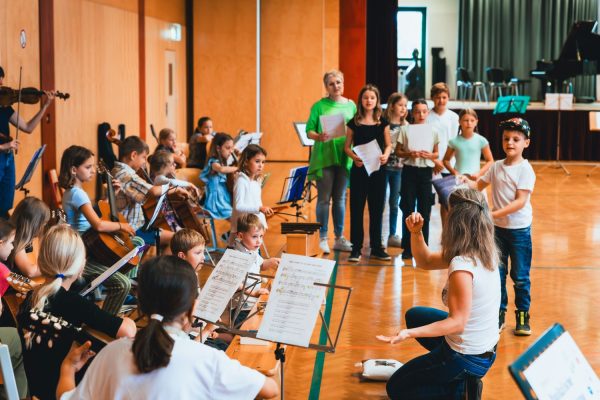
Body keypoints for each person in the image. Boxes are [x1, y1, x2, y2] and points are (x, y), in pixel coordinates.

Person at [56, 255, 279, 400]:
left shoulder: (110, 354)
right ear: (192, 308)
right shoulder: (207, 359)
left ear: (141, 304)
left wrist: (67, 367)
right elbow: (270, 391)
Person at [377, 189, 500, 399]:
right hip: (485, 348)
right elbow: (424, 260)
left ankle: (460, 391)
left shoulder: (462, 267)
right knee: (415, 316)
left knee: (396, 388)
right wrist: (416, 232)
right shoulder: (483, 251)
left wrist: (408, 334)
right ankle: (452, 376)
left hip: (467, 357)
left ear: (455, 221)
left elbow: (457, 323)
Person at [17, 224, 136, 400]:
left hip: (36, 386)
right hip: (64, 390)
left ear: (42, 261)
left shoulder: (31, 297)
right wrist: (130, 321)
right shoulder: (76, 303)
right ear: (80, 268)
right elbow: (128, 331)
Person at [471, 118, 535, 335]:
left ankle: (523, 315)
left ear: (526, 143)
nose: (510, 143)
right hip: (496, 230)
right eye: (506, 138)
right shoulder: (496, 167)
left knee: (520, 276)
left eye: (516, 139)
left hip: (519, 231)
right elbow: (478, 185)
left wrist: (491, 214)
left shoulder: (525, 170)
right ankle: (498, 313)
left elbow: (520, 202)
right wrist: (464, 183)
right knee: (497, 274)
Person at [59, 145, 136, 314]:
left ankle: (121, 292)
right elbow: (99, 225)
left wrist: (111, 196)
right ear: (73, 170)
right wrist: (123, 225)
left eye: (93, 166)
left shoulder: (72, 192)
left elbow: (97, 217)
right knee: (123, 283)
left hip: (88, 245)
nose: (93, 171)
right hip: (83, 253)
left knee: (135, 244)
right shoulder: (78, 194)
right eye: (88, 167)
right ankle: (107, 319)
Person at [306, 70, 356, 254]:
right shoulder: (319, 106)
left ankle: (340, 237)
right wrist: (319, 136)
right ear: (326, 86)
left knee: (341, 198)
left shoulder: (351, 106)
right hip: (325, 156)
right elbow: (309, 130)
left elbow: (356, 127)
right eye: (332, 83)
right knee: (324, 199)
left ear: (343, 84)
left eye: (339, 82)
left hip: (344, 156)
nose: (336, 86)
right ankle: (323, 237)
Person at [112, 136, 188, 249]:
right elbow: (153, 191)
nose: (144, 162)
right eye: (143, 157)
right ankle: (161, 266)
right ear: (133, 155)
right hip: (132, 230)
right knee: (179, 239)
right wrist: (176, 189)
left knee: (175, 236)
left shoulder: (119, 171)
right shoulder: (125, 174)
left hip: (137, 226)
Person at [344, 84, 392, 263]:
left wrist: (386, 155)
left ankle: (377, 248)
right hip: (359, 171)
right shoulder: (354, 122)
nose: (369, 101)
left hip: (378, 171)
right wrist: (354, 157)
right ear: (361, 101)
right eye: (366, 98)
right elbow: (346, 147)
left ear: (377, 100)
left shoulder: (383, 122)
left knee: (377, 210)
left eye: (372, 98)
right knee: (356, 209)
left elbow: (388, 144)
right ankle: (356, 248)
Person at [0, 66, 56, 219]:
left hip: (7, 158)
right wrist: (4, 146)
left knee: (5, 204)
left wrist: (45, 106)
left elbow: (28, 128)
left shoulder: (5, 108)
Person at [396, 99, 440, 260]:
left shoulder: (433, 130)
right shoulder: (405, 129)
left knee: (425, 210)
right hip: (409, 171)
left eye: (424, 111)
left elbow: (436, 153)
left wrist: (430, 155)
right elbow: (398, 151)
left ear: (428, 112)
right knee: (407, 207)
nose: (421, 114)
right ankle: (407, 248)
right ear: (412, 113)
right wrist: (410, 154)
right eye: (417, 111)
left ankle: (423, 247)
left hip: (426, 172)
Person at [230, 213, 279, 323]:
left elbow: (261, 265)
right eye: (254, 236)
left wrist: (270, 262)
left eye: (261, 236)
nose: (259, 241)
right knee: (243, 333)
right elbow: (235, 283)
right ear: (241, 236)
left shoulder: (252, 250)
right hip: (242, 307)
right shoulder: (236, 255)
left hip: (253, 301)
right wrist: (254, 293)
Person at [0, 219, 28, 399]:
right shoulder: (2, 269)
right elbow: (27, 285)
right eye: (10, 243)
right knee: (19, 339)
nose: (12, 248)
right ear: (0, 243)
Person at [427, 82, 459, 225]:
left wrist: (445, 161)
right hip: (429, 164)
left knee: (446, 203)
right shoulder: (426, 115)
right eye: (438, 97)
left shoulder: (453, 117)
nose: (441, 100)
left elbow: (454, 142)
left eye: (444, 97)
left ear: (448, 98)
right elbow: (424, 140)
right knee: (427, 201)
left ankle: (446, 235)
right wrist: (434, 161)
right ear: (432, 98)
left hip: (447, 164)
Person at [383, 92, 409, 248]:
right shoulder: (383, 123)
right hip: (383, 168)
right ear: (392, 106)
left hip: (399, 169)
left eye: (405, 106)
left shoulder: (406, 126)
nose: (403, 108)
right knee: (379, 203)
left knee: (394, 203)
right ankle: (378, 235)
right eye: (400, 105)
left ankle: (392, 235)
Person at [231, 144, 273, 240]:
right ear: (246, 161)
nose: (261, 165)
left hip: (254, 228)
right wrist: (260, 208)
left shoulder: (256, 181)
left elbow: (257, 203)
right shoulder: (241, 181)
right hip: (243, 230)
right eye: (257, 161)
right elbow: (239, 206)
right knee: (238, 253)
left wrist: (263, 223)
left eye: (263, 162)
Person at [443, 109, 493, 180]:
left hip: (476, 179)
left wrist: (479, 173)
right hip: (459, 180)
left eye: (472, 120)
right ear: (459, 122)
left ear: (476, 122)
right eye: (466, 120)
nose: (469, 123)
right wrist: (454, 172)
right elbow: (446, 160)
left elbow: (490, 161)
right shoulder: (453, 142)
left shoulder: (482, 141)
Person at [7, 196, 50, 277]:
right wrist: (54, 266)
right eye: (43, 223)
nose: (43, 227)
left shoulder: (14, 229)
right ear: (34, 224)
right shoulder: (14, 237)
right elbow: (30, 272)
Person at [200, 132, 237, 220]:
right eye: (228, 148)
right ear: (218, 148)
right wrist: (237, 168)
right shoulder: (213, 162)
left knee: (237, 215)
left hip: (223, 196)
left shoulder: (223, 161)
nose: (231, 151)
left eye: (232, 148)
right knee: (234, 217)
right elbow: (221, 169)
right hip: (216, 199)